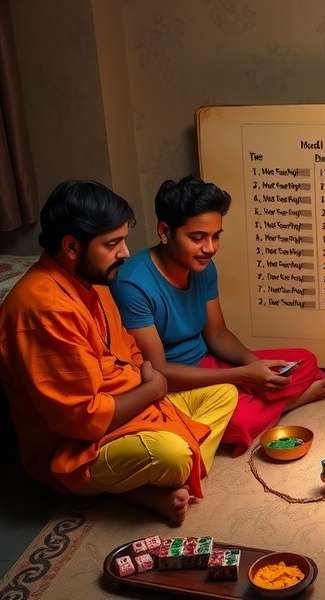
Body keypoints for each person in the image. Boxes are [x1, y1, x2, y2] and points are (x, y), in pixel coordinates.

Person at [0, 181, 237, 525]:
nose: (125, 253)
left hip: (130, 404)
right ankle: (137, 488)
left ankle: (143, 486)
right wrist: (151, 390)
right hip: (77, 446)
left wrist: (146, 385)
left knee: (223, 395)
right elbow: (83, 419)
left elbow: (130, 352)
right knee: (172, 454)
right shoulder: (43, 309)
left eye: (123, 240)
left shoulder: (94, 281)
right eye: (112, 244)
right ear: (71, 246)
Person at [111, 176, 325, 456]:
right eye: (197, 237)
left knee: (304, 360)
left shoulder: (203, 266)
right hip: (176, 387)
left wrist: (255, 365)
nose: (210, 248)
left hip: (212, 365)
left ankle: (262, 400)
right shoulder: (133, 283)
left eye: (216, 236)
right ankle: (288, 402)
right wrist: (243, 376)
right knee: (239, 423)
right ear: (165, 231)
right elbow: (159, 371)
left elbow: (217, 334)